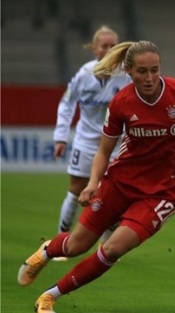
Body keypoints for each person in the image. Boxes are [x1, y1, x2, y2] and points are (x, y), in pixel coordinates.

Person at [17, 40, 175, 313]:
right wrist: (92, 184)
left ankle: (51, 296)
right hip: (120, 183)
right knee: (77, 245)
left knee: (112, 249)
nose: (149, 78)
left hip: (163, 193)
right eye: (141, 72)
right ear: (128, 70)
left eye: (154, 70)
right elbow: (104, 151)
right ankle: (46, 251)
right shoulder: (122, 102)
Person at [52, 25, 131, 262]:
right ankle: (61, 240)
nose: (108, 49)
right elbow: (67, 104)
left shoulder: (126, 75)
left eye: (112, 45)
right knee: (76, 190)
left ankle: (107, 245)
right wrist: (60, 136)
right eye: (104, 45)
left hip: (116, 144)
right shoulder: (83, 74)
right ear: (94, 48)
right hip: (85, 142)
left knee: (114, 193)